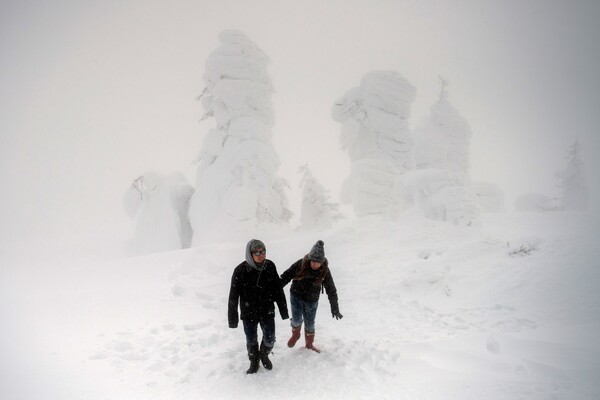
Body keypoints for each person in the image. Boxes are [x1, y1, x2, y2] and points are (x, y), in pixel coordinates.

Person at [228, 239, 289, 374]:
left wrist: (283, 310)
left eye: (263, 252)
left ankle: (264, 355)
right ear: (250, 254)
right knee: (251, 340)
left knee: (270, 338)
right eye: (257, 253)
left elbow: (278, 289)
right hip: (248, 312)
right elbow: (233, 296)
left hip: (267, 310)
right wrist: (233, 319)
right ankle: (254, 362)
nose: (261, 255)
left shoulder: (270, 266)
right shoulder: (240, 271)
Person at [280, 240, 343, 353]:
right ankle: (296, 335)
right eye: (313, 261)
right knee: (296, 319)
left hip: (312, 301)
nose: (315, 264)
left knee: (310, 322)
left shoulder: (324, 271)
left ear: (322, 262)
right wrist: (275, 288)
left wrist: (335, 307)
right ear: (309, 259)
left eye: (318, 262)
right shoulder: (301, 264)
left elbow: (331, 290)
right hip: (296, 296)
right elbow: (286, 276)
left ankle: (309, 344)